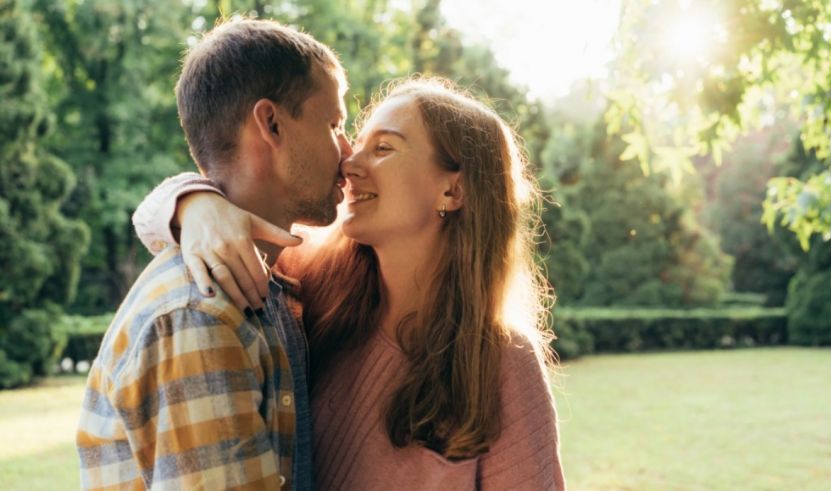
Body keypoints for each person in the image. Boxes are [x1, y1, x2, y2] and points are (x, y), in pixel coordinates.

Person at [135, 78, 566, 489]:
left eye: (383, 148)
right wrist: (195, 204)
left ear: (452, 192)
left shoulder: (501, 363)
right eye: (357, 144)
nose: (350, 164)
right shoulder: (309, 280)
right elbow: (148, 218)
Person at [76, 18, 352, 490]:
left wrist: (186, 200)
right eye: (333, 125)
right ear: (271, 124)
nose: (347, 151)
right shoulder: (200, 312)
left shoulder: (268, 280)